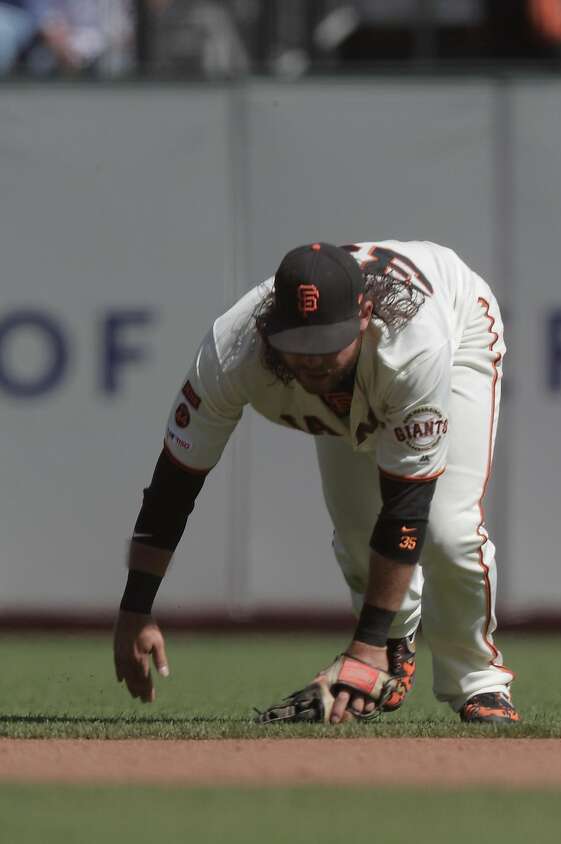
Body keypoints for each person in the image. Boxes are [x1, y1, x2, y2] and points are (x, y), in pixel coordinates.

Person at [112, 239, 519, 725]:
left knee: (448, 530)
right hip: (366, 373)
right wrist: (136, 607)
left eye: (328, 342)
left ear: (365, 314)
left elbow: (407, 506)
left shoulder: (415, 346)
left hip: (458, 328)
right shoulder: (233, 349)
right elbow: (176, 481)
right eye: (299, 346)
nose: (314, 361)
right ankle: (393, 648)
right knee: (356, 535)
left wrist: (361, 644)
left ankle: (477, 680)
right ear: (269, 327)